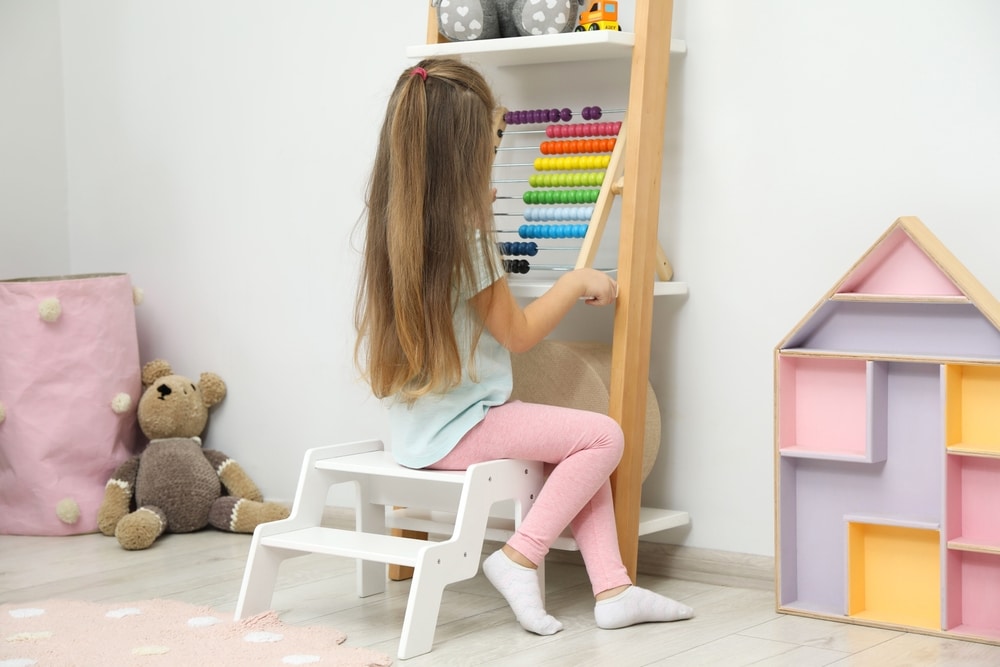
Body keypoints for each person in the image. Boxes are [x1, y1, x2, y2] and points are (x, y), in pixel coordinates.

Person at [354, 57, 693, 636]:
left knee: (570, 451)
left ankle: (613, 590)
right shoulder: (470, 244)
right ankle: (519, 556)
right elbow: (519, 333)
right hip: (466, 424)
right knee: (601, 434)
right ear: (463, 159)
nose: (494, 155)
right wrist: (574, 282)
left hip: (418, 432)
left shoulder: (395, 232)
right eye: (490, 146)